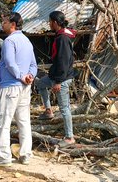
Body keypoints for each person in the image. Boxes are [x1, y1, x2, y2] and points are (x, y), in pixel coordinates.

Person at [0, 12, 37, 167]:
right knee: (24, 122)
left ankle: (4, 157)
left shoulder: (9, 41)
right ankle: (25, 154)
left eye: (4, 22)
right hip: (25, 88)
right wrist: (30, 76)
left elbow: (10, 63)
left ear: (12, 24)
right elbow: (34, 65)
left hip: (10, 86)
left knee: (2, 121)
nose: (2, 24)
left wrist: (21, 76)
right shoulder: (27, 41)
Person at [34, 10, 76, 147]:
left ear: (56, 22)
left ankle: (69, 137)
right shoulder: (61, 35)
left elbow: (63, 61)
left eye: (50, 22)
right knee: (40, 84)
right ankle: (48, 111)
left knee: (64, 108)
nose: (49, 24)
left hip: (61, 78)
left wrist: (58, 82)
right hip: (55, 75)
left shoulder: (62, 39)